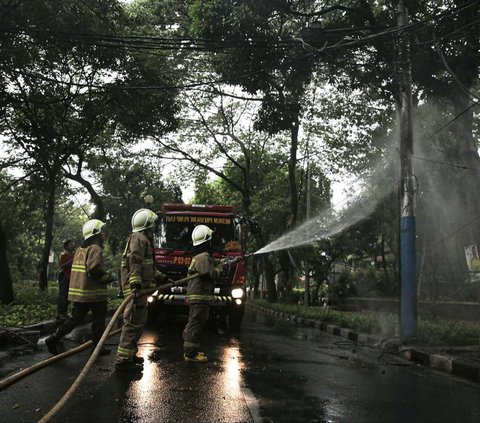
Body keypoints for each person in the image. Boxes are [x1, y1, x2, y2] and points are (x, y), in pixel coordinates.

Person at [45, 219, 114, 356]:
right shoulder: (95, 249)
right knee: (99, 320)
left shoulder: (80, 250)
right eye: (102, 231)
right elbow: (94, 271)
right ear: (96, 234)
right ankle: (97, 348)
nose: (104, 234)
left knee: (75, 319)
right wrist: (108, 277)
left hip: (82, 294)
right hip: (94, 294)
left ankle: (54, 338)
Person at [115, 208, 169, 371]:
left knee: (138, 322)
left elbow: (149, 267)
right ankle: (123, 360)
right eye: (152, 225)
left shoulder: (143, 239)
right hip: (135, 290)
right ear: (147, 225)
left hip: (141, 289)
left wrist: (163, 278)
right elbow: (135, 262)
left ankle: (129, 354)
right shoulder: (139, 239)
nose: (154, 228)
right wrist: (135, 285)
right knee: (132, 323)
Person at [182, 224, 226, 363]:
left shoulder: (202, 257)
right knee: (194, 324)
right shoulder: (203, 257)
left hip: (200, 297)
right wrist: (220, 269)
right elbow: (207, 274)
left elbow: (212, 263)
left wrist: (224, 261)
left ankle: (192, 351)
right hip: (199, 296)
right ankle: (190, 354)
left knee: (197, 323)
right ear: (207, 241)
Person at [56, 239, 75, 322]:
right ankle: (60, 313)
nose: (72, 246)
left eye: (72, 244)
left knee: (68, 296)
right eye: (70, 245)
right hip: (64, 276)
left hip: (72, 277)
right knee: (63, 296)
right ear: (66, 246)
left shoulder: (75, 255)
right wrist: (70, 262)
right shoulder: (63, 255)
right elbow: (61, 266)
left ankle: (65, 313)